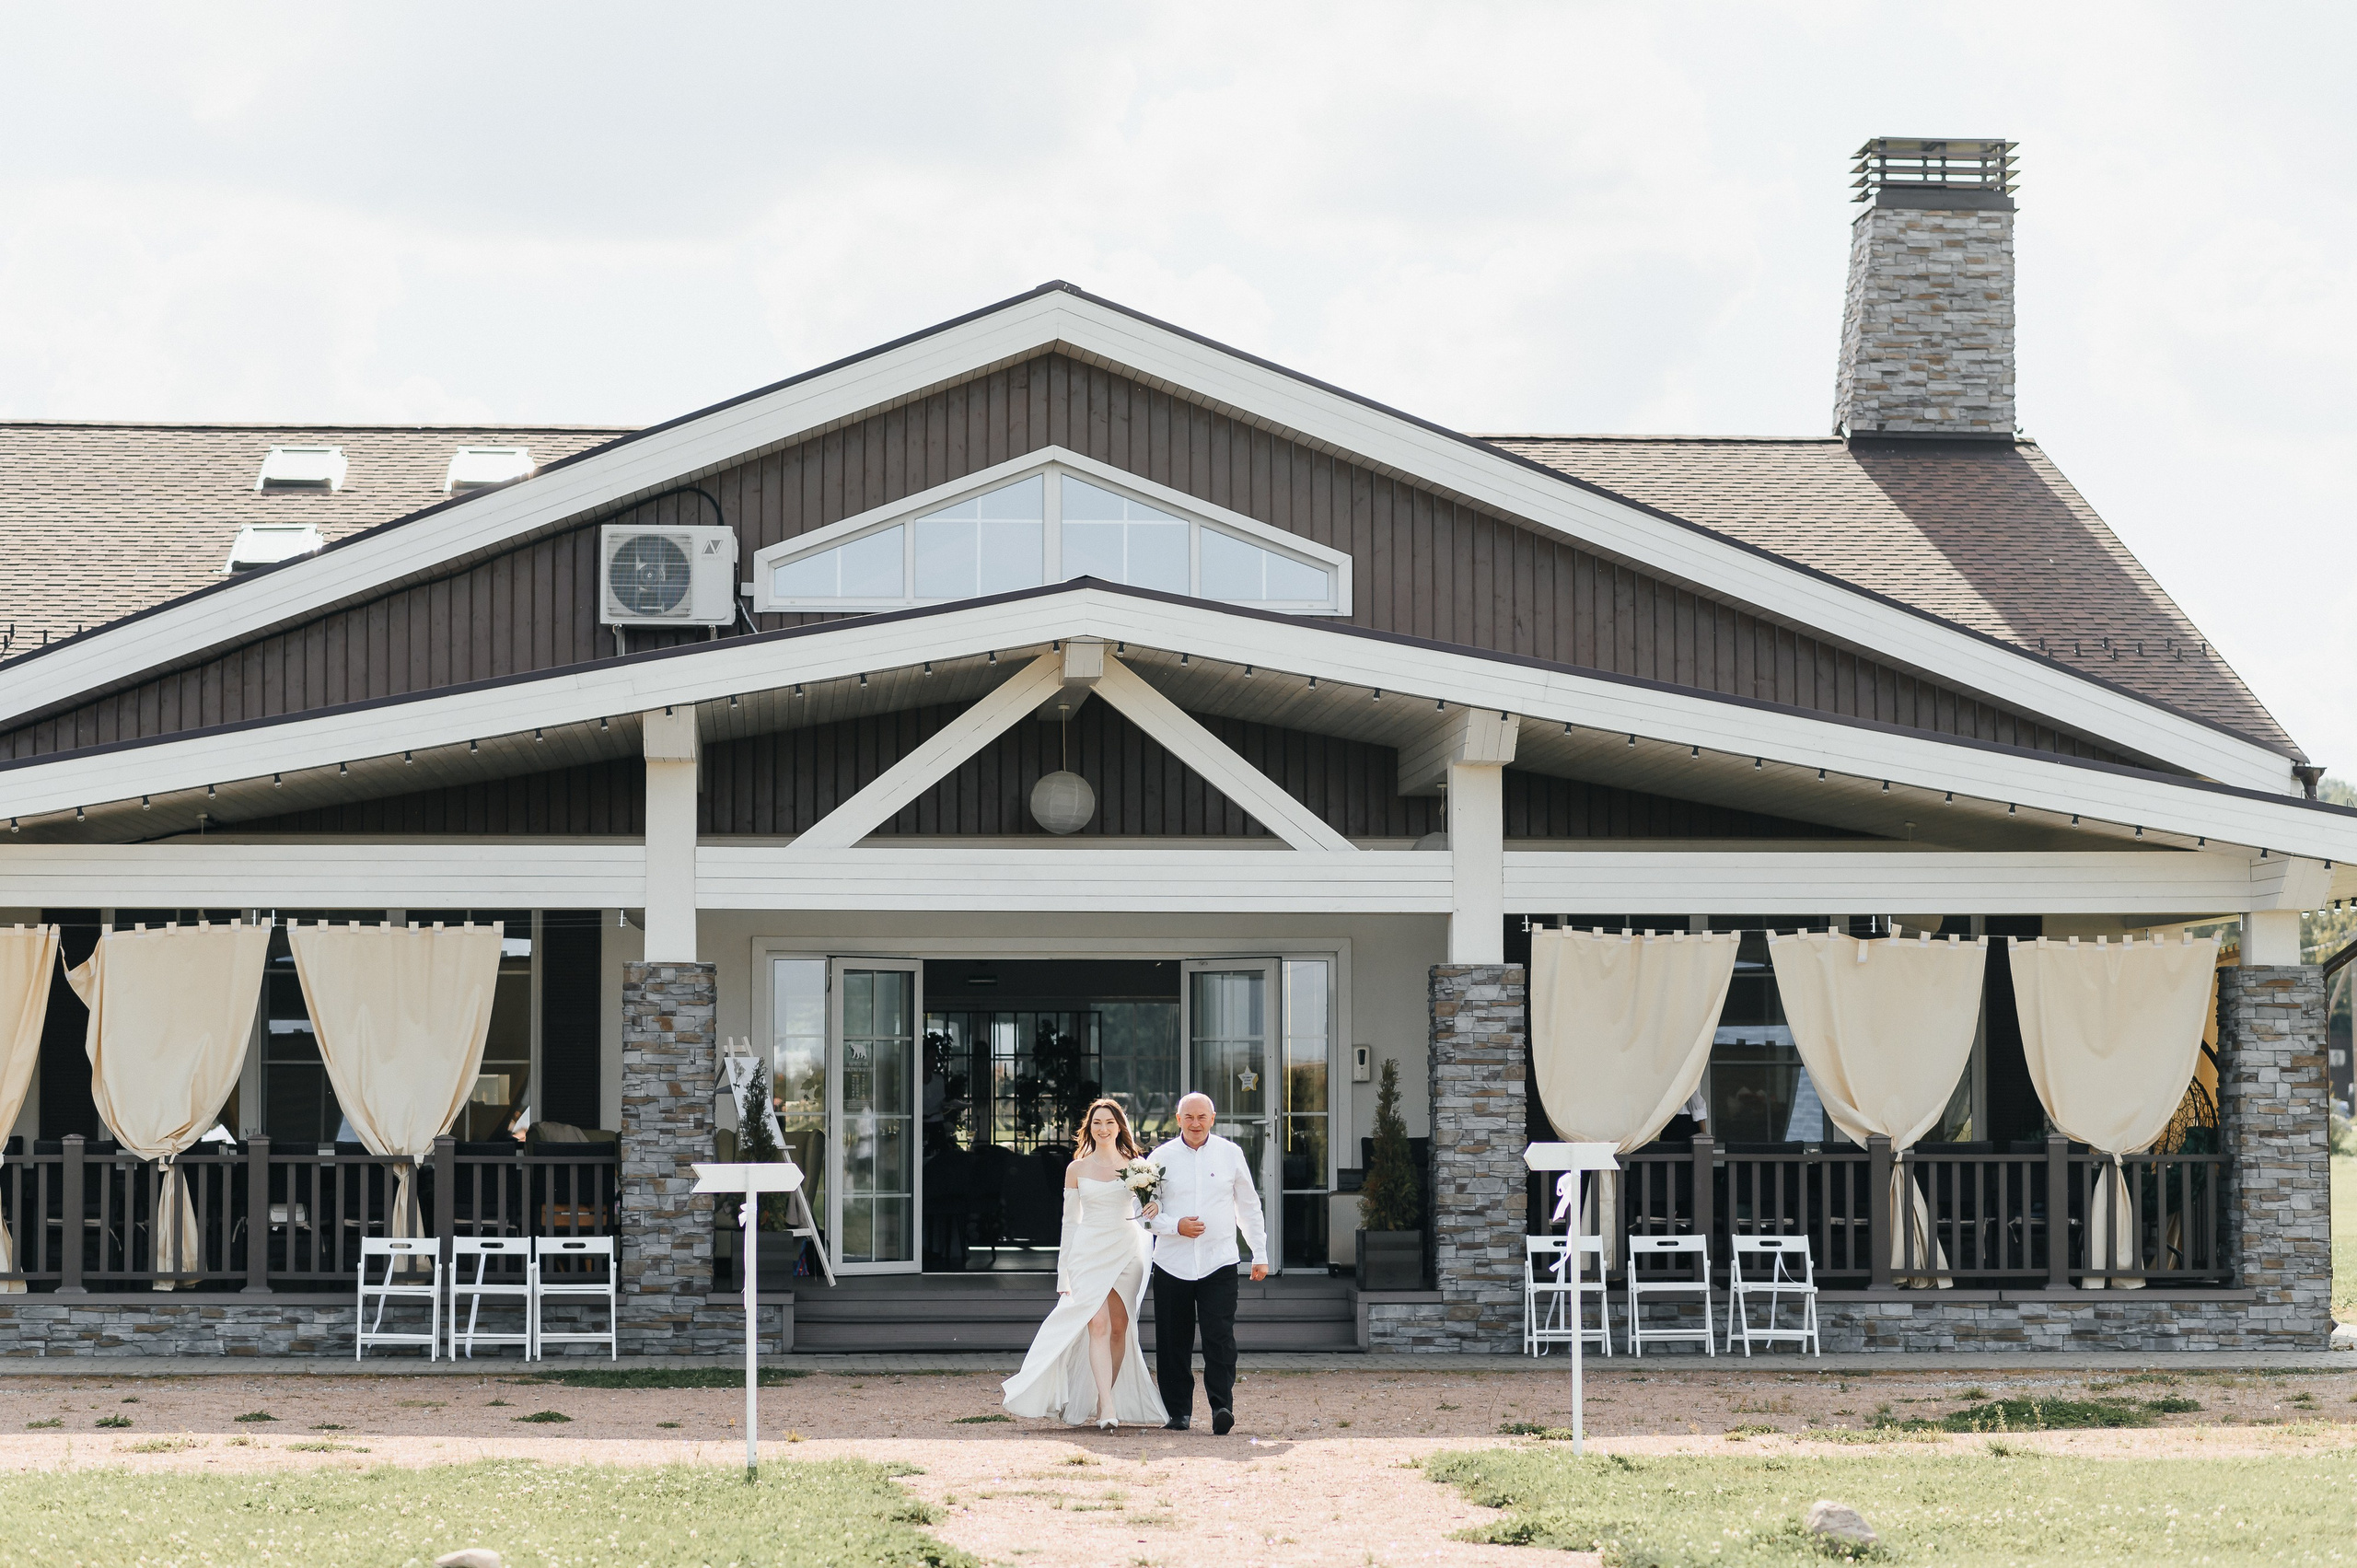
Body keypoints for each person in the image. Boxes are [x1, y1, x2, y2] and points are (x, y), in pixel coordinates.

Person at [1000, 1099, 1170, 1430]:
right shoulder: (1076, 1169)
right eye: (1096, 1123)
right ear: (1089, 1128)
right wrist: (1063, 1270)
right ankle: (1107, 1406)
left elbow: (1149, 1205)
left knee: (1120, 1328)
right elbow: (1069, 1223)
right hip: (1088, 1252)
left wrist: (1154, 1206)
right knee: (1098, 1325)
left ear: (1120, 1126)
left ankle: (1101, 1395)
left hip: (1127, 1250)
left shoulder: (1138, 1166)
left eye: (1109, 1122)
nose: (1103, 1128)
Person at [1144, 1092, 1268, 1434]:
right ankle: (1179, 1413)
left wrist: (1260, 1253)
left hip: (1220, 1262)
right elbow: (1145, 1214)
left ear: (1212, 1118)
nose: (1195, 1123)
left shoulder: (1231, 1154)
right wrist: (1176, 1226)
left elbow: (1248, 1205)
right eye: (1189, 1117)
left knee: (1220, 1337)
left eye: (1202, 1117)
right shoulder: (1159, 1158)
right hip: (1172, 1262)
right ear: (1177, 1119)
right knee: (1172, 1341)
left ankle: (1221, 1407)